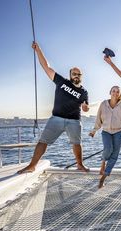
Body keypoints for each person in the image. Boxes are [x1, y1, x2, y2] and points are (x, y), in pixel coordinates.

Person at [18, 42, 89, 174]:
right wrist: (38, 50)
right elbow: (46, 66)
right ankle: (32, 165)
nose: (76, 76)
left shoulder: (84, 92)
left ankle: (80, 164)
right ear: (70, 75)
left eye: (78, 74)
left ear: (81, 76)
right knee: (43, 141)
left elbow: (85, 107)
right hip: (56, 118)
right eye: (74, 73)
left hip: (74, 120)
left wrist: (85, 107)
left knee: (77, 143)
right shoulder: (61, 82)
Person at [89, 86, 121, 188]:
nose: (115, 93)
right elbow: (98, 119)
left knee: (114, 155)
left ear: (119, 94)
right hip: (106, 132)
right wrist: (94, 131)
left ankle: (103, 178)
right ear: (110, 92)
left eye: (117, 91)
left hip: (118, 132)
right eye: (113, 91)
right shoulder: (103, 104)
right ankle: (103, 163)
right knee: (108, 149)